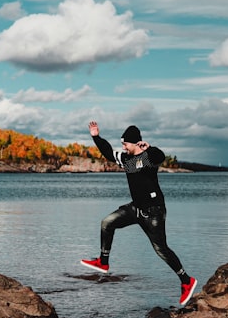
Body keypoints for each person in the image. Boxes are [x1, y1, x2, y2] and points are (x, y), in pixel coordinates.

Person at [80, 121, 198, 307]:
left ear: (135, 143)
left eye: (125, 144)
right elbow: (108, 152)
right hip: (136, 208)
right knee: (107, 223)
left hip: (154, 212)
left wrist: (149, 147)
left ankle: (186, 281)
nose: (123, 147)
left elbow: (160, 156)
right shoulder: (126, 160)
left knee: (161, 249)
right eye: (122, 144)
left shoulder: (148, 158)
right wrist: (96, 136)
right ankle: (103, 262)